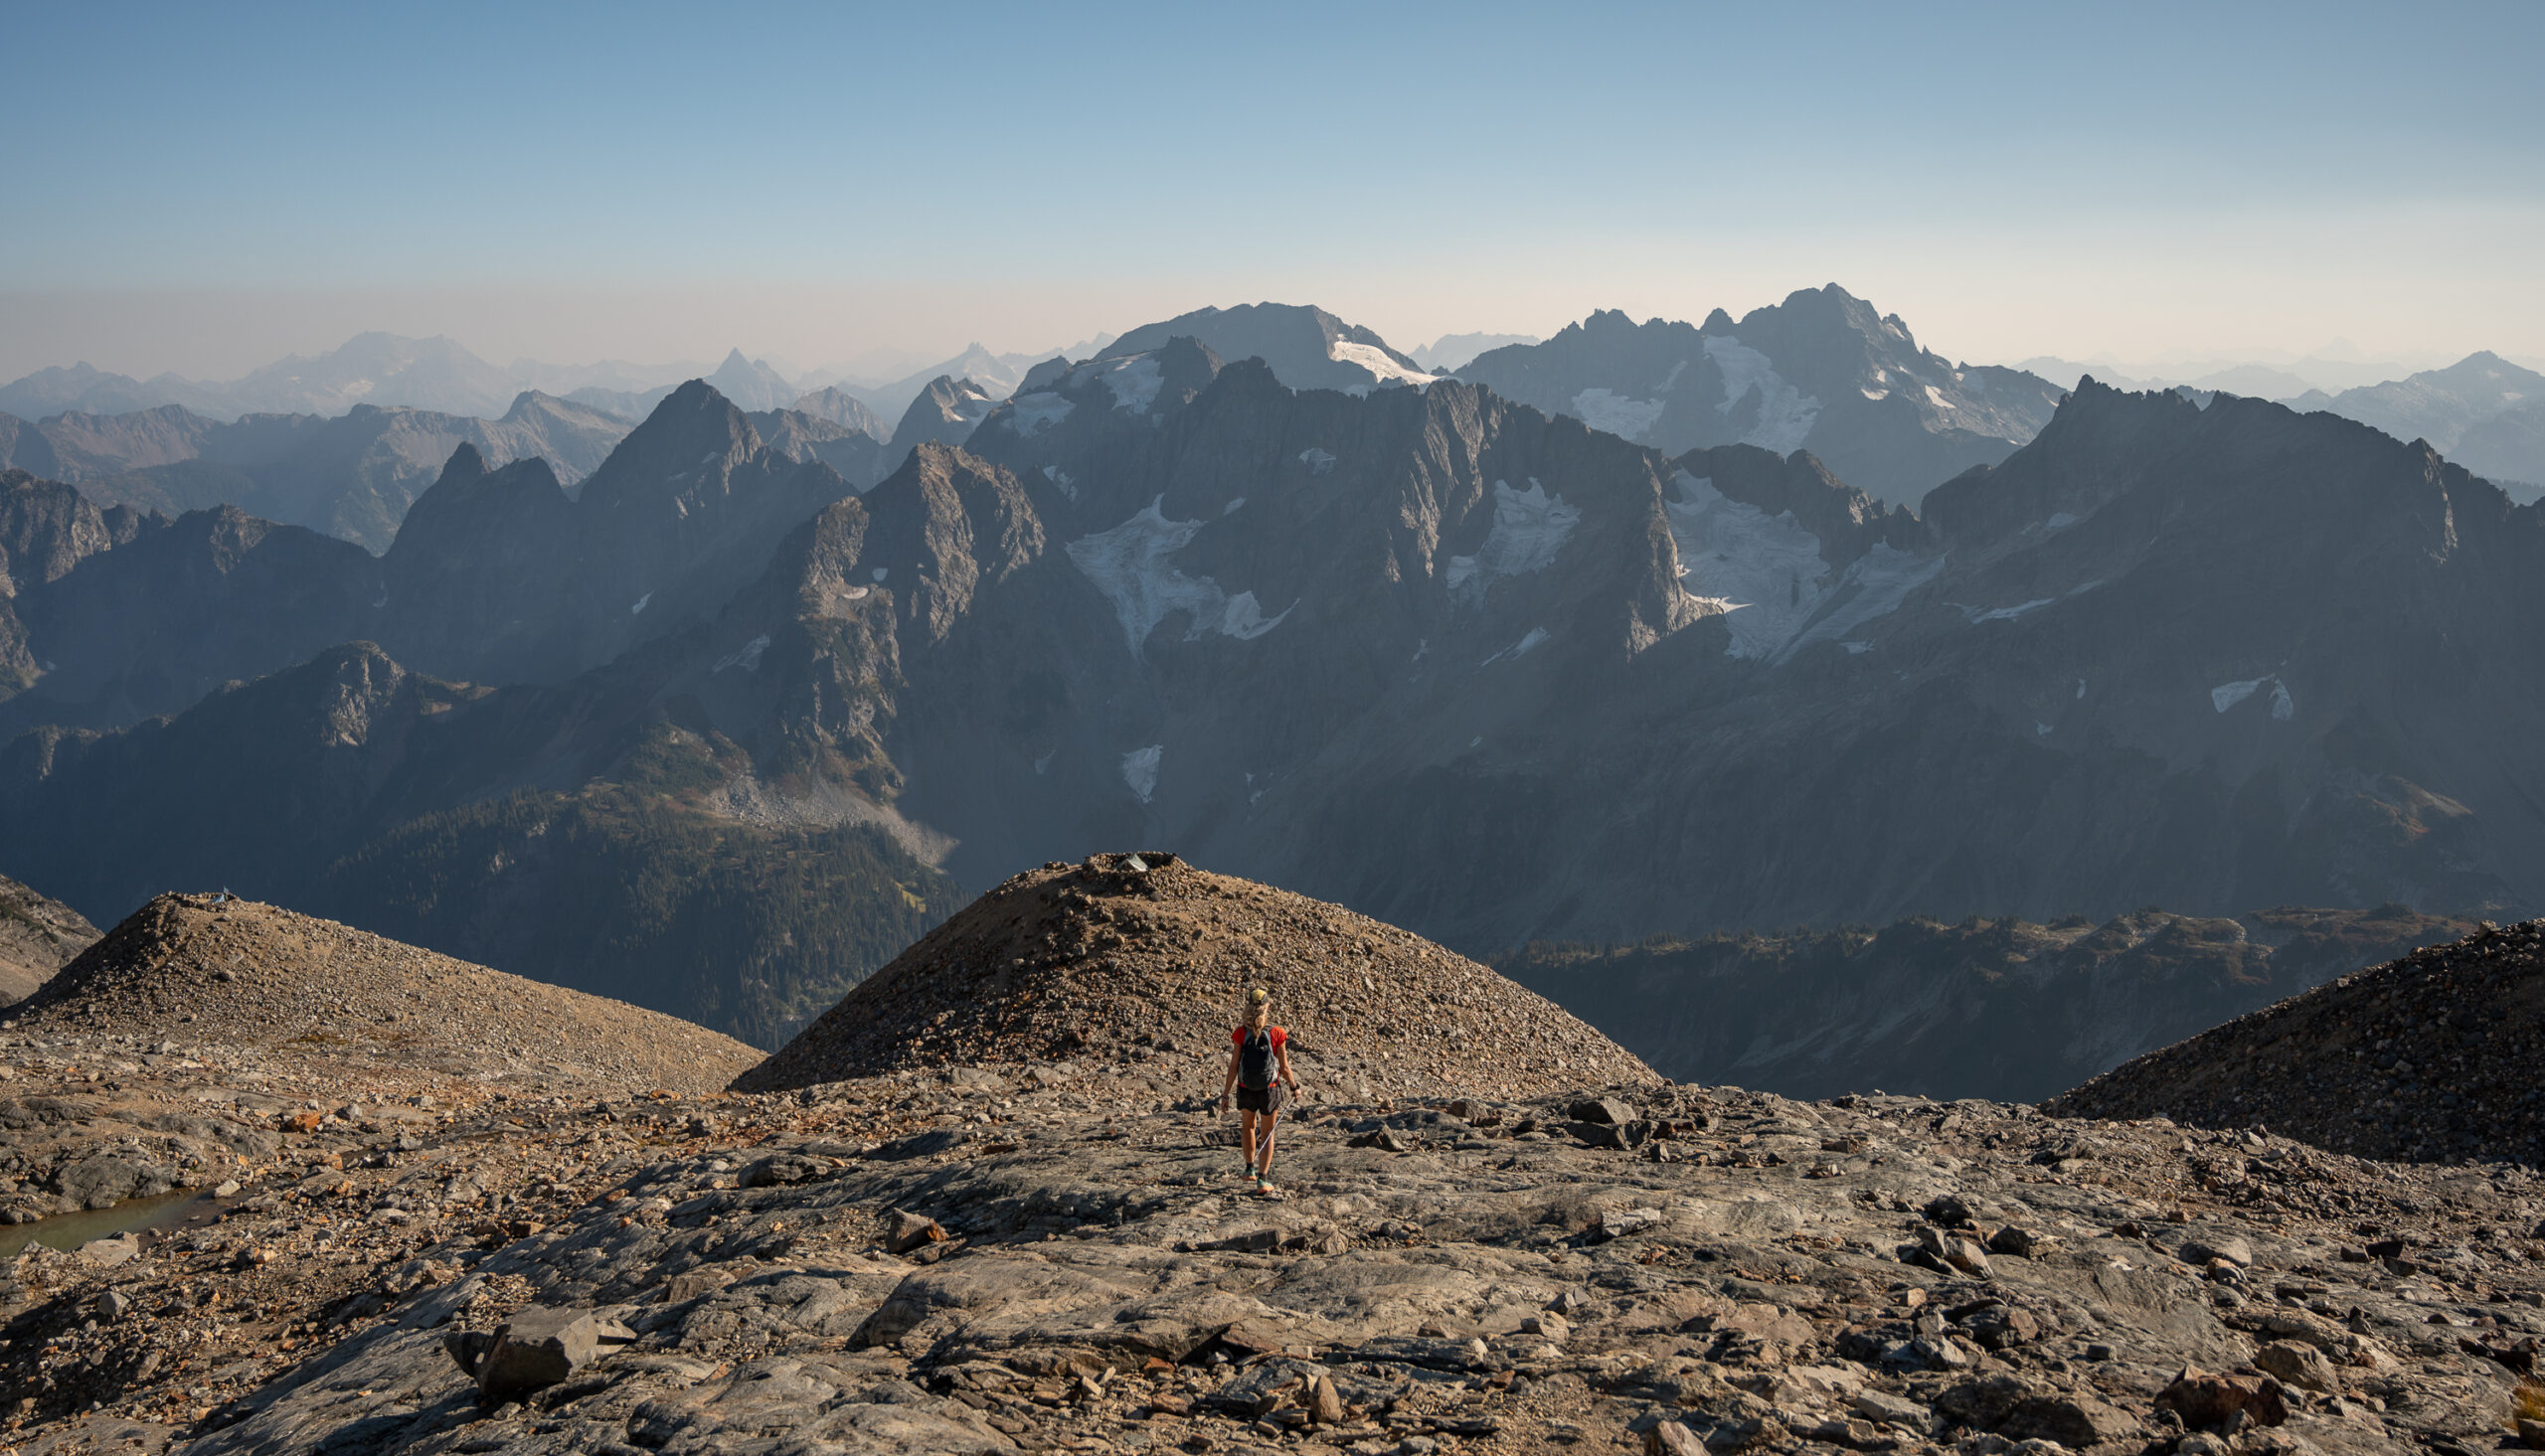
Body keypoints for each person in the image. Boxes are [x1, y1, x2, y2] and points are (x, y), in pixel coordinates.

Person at [1220, 985, 1300, 1196]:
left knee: (1248, 1126)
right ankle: (1263, 1179)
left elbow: (1234, 1065)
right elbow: (1284, 1067)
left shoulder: (1240, 1033)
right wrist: (1294, 1086)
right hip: (1269, 1090)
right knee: (1267, 1133)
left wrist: (1225, 1094)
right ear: (1267, 1008)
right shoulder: (1276, 1033)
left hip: (1245, 1088)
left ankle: (1249, 1169)